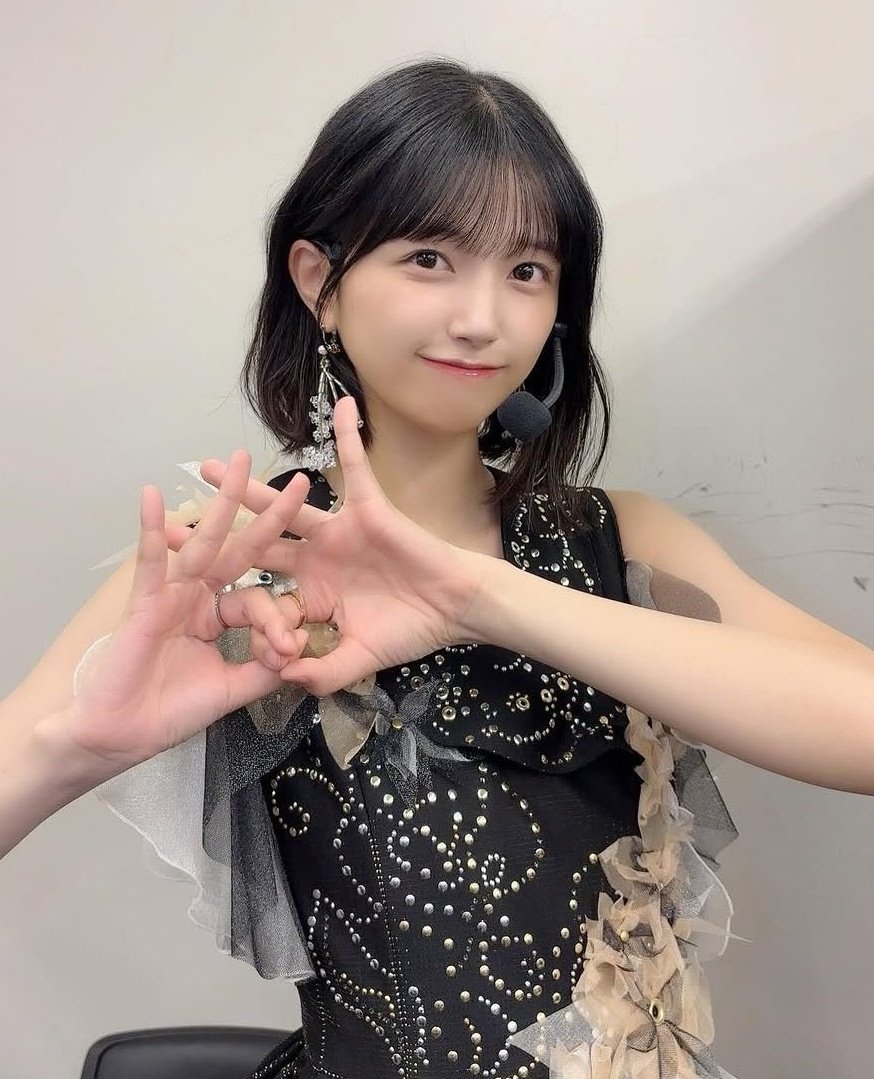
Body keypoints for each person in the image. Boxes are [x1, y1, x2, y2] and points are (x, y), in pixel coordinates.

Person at [3, 57, 873, 1079]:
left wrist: (480, 595)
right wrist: (72, 747)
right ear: (319, 282)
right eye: (429, 257)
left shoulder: (624, 539)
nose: (482, 318)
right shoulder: (234, 558)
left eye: (528, 271)